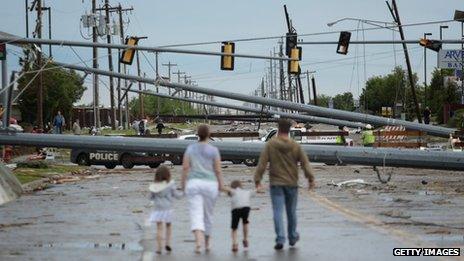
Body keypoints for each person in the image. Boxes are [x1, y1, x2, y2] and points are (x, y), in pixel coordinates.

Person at [254, 118, 315, 250]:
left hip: (276, 183)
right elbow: (305, 163)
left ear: (278, 129)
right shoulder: (295, 145)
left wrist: (257, 180)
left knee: (277, 211)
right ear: (289, 130)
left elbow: (262, 164)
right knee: (291, 212)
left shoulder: (271, 145)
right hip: (292, 183)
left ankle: (280, 238)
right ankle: (292, 237)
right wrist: (310, 179)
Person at [181, 124, 226, 254]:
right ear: (209, 135)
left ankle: (198, 243)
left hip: (194, 183)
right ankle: (207, 242)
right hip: (210, 184)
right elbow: (217, 170)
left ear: (197, 135)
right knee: (208, 215)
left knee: (196, 213)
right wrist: (221, 185)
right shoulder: (213, 150)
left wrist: (183, 184)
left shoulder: (190, 149)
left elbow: (185, 168)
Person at [149, 165, 183, 255]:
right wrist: (184, 192)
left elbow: (151, 197)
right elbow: (177, 196)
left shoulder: (154, 186)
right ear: (168, 175)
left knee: (159, 228)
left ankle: (159, 248)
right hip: (168, 209)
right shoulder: (171, 184)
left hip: (158, 209)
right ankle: (167, 243)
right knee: (168, 226)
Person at [225, 180, 253, 252]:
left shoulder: (233, 191)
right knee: (245, 223)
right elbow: (255, 191)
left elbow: (226, 190)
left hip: (236, 209)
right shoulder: (246, 192)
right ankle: (245, 239)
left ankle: (234, 244)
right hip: (246, 208)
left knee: (234, 228)